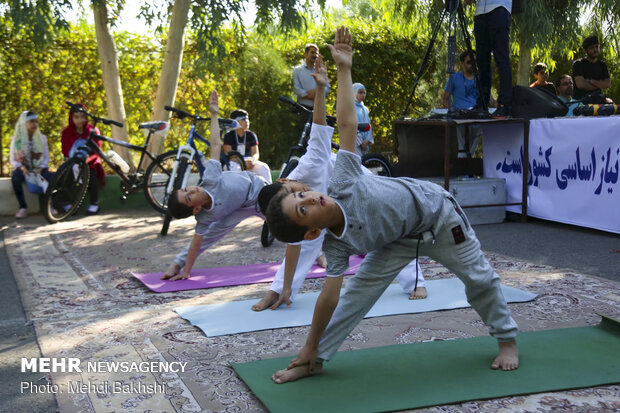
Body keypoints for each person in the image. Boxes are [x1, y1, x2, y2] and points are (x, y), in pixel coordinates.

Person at [266, 26, 519, 384]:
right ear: (311, 231)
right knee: (356, 296)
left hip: (439, 217)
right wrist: (308, 345)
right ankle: (315, 360)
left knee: (480, 280)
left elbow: (348, 125)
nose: (309, 197)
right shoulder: (335, 247)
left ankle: (507, 341)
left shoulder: (343, 181)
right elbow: (329, 300)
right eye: (303, 208)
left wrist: (343, 69)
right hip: (397, 241)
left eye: (300, 194)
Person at [252, 55, 426, 312]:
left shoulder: (311, 163)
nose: (299, 194)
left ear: (285, 180)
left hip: (361, 190)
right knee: (306, 241)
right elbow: (294, 245)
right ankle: (278, 291)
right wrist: (283, 286)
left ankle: (416, 282)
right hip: (322, 210)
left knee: (385, 231)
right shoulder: (296, 205)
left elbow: (319, 127)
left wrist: (321, 89)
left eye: (294, 192)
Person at [162, 91, 268, 281]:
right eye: (188, 196)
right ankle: (177, 264)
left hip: (258, 193)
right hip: (236, 209)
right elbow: (197, 243)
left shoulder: (210, 179)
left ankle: (317, 254)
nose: (192, 189)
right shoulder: (204, 217)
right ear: (195, 209)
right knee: (210, 234)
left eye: (186, 189)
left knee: (284, 221)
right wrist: (186, 271)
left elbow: (215, 145)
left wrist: (213, 114)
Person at [466, 0, 513, 118]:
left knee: (501, 58)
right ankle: (482, 102)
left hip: (499, 8)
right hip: (480, 12)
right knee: (482, 61)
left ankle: (504, 105)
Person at [61, 103, 104, 214]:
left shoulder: (93, 131)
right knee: (64, 175)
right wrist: (72, 162)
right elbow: (65, 151)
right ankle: (67, 204)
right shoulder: (66, 133)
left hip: (90, 162)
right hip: (72, 161)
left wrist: (87, 161)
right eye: (76, 117)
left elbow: (96, 150)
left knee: (91, 175)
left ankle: (94, 203)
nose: (79, 120)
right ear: (71, 118)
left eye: (82, 117)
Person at [9, 111, 54, 218]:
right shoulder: (16, 140)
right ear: (23, 123)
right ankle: (22, 207)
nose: (35, 124)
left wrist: (40, 168)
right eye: (31, 122)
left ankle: (50, 206)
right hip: (23, 168)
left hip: (38, 168)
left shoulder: (42, 138)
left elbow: (46, 158)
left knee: (51, 177)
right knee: (16, 178)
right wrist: (22, 167)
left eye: (36, 122)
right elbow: (12, 159)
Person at [441, 50, 483, 160]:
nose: (472, 65)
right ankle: (463, 163)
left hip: (476, 117)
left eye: (475, 62)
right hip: (460, 118)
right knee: (462, 139)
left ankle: (467, 162)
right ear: (462, 63)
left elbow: (491, 100)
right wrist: (453, 110)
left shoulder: (480, 79)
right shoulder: (454, 78)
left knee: (479, 131)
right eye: (469, 62)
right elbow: (445, 99)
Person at [222, 109, 272, 184]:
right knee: (234, 170)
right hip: (235, 161)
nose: (247, 122)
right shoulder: (228, 136)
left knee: (263, 168)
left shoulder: (251, 135)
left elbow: (255, 153)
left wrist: (253, 161)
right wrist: (242, 162)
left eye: (247, 119)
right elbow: (229, 154)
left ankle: (269, 192)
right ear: (236, 122)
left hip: (249, 161)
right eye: (243, 119)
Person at [572, 36, 612, 104]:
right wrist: (600, 84)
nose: (595, 50)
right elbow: (581, 85)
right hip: (582, 101)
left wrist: (591, 81)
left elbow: (607, 84)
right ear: (586, 50)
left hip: (599, 99)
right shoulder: (578, 64)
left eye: (597, 47)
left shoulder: (602, 65)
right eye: (592, 48)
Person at [292, 43, 330, 110]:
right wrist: (315, 95)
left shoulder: (321, 71)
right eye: (312, 52)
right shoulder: (297, 70)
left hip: (319, 108)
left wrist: (316, 93)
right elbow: (296, 89)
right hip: (302, 108)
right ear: (305, 54)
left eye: (316, 53)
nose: (315, 55)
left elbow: (327, 88)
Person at [352, 83, 374, 157]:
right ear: (354, 92)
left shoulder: (365, 109)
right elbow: (351, 124)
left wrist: (367, 140)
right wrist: (360, 141)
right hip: (355, 142)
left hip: (365, 143)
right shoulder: (351, 107)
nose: (363, 95)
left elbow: (368, 125)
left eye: (364, 93)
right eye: (360, 92)